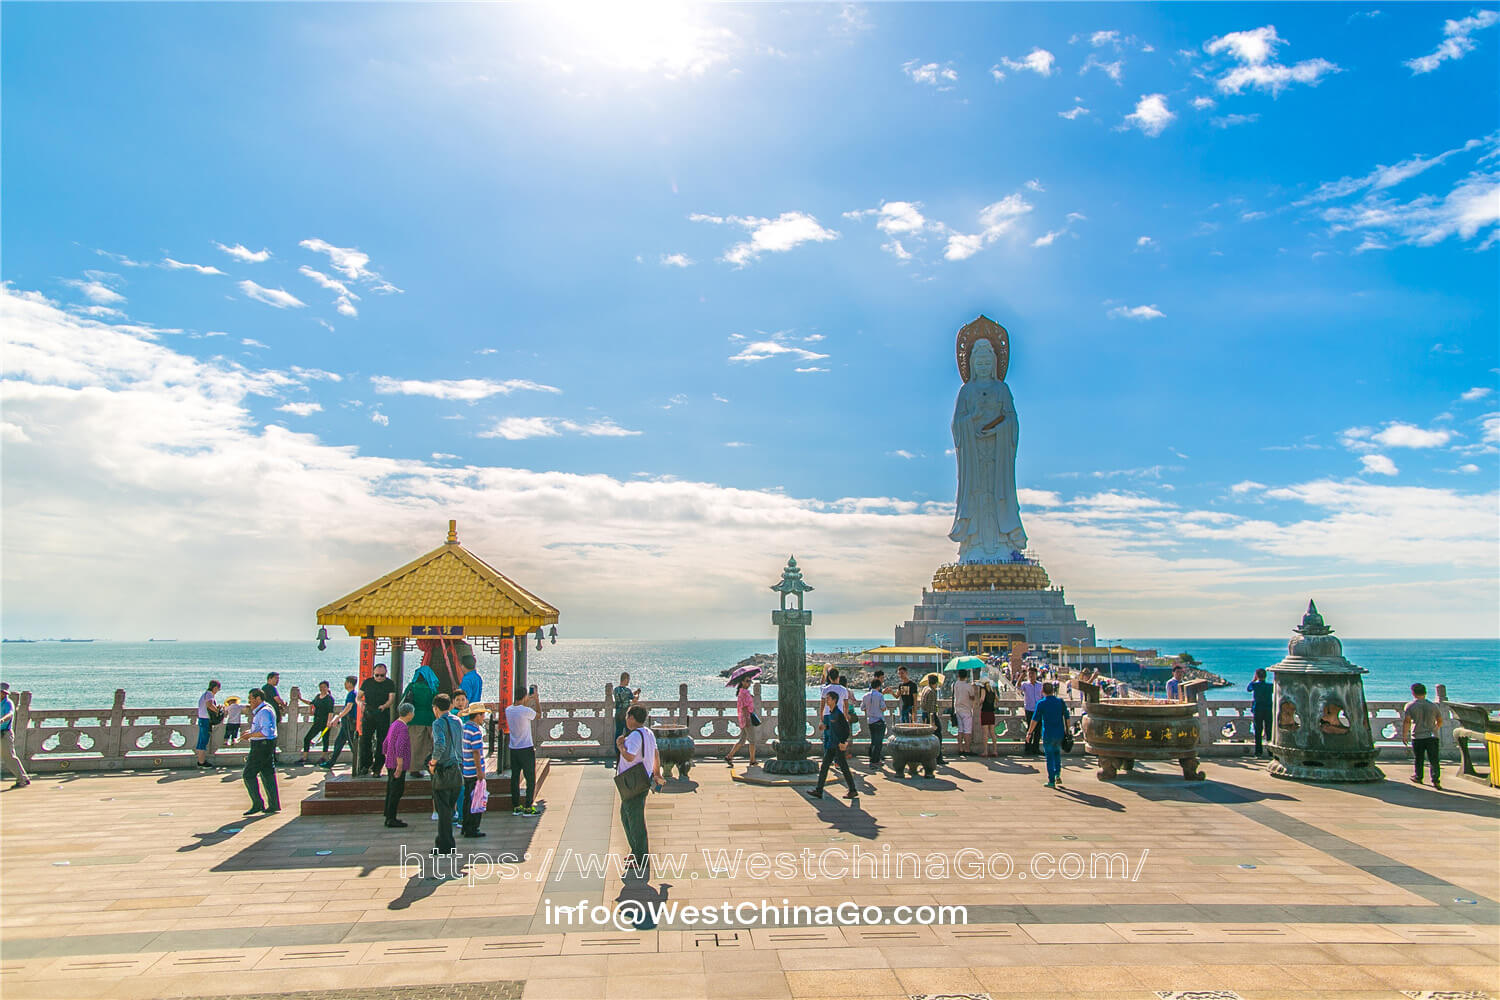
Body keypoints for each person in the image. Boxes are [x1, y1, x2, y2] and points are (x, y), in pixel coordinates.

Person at [616, 704, 663, 878]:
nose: (626, 719)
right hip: (643, 778)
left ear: (632, 718)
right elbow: (656, 753)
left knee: (634, 818)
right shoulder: (648, 733)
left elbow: (629, 755)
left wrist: (620, 746)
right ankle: (636, 851)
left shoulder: (636, 735)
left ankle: (641, 857)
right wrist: (657, 773)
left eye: (628, 715)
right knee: (626, 814)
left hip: (633, 781)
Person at [427, 693, 462, 855]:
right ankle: (443, 841)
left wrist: (433, 763)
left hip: (444, 769)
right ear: (450, 706)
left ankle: (445, 845)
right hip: (457, 769)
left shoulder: (438, 723)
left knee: (443, 811)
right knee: (449, 809)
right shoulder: (458, 721)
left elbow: (440, 744)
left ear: (435, 708)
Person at [807, 691, 858, 800]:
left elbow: (846, 729)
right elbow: (833, 727)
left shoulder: (838, 714)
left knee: (844, 767)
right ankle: (819, 790)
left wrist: (843, 742)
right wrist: (825, 727)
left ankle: (852, 790)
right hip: (831, 745)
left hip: (838, 745)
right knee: (825, 767)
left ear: (834, 700)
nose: (826, 700)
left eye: (828, 698)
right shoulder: (830, 713)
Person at [237, 689, 280, 814]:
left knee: (248, 774)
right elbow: (261, 728)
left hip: (262, 745)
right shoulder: (264, 710)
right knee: (267, 773)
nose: (249, 701)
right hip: (266, 744)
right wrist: (250, 732)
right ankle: (273, 804)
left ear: (258, 699)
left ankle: (258, 803)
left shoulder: (264, 711)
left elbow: (266, 732)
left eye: (251, 698)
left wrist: (250, 736)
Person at [1026, 682, 1071, 788]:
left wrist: (1029, 733)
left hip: (1048, 733)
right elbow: (1067, 717)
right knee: (1057, 754)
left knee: (1049, 756)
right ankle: (1058, 774)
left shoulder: (1041, 703)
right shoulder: (1060, 702)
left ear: (1042, 691)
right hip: (1060, 732)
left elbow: (1034, 719)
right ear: (1053, 691)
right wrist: (1068, 730)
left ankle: (1051, 781)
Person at [1401, 683, 1444, 789]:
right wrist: (1435, 729)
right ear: (1425, 692)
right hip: (1432, 736)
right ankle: (1436, 780)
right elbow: (1439, 720)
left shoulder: (1410, 705)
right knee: (1434, 759)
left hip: (1418, 736)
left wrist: (1404, 735)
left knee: (1419, 758)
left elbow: (1407, 722)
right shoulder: (1433, 706)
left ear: (1413, 693)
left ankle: (1419, 776)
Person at [507, 686, 541, 816]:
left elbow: (519, 707)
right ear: (525, 696)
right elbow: (538, 715)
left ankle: (516, 806)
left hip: (513, 748)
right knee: (530, 778)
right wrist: (536, 700)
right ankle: (528, 806)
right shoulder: (526, 711)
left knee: (515, 778)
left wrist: (526, 700)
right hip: (526, 748)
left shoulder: (508, 710)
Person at [360, 664, 397, 777]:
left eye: (382, 675)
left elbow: (391, 699)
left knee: (382, 742)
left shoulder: (389, 683)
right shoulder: (367, 682)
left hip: (382, 713)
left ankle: (377, 768)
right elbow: (359, 696)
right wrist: (360, 703)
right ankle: (366, 764)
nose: (380, 678)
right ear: (373, 673)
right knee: (365, 740)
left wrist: (385, 706)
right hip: (368, 713)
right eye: (377, 675)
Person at [381, 703, 414, 828]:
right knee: (397, 791)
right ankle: (391, 818)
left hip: (390, 762)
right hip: (397, 764)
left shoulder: (394, 725)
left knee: (390, 790)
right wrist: (399, 765)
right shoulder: (403, 728)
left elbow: (385, 743)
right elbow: (400, 747)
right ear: (409, 713)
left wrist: (388, 757)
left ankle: (388, 815)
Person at [459, 705, 488, 838]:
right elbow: (476, 752)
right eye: (482, 715)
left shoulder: (465, 727)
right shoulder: (476, 731)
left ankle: (465, 826)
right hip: (474, 771)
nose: (484, 718)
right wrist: (479, 771)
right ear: (477, 716)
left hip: (466, 769)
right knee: (475, 800)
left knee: (467, 800)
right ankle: (472, 828)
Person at [322, 677, 359, 770]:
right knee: (339, 742)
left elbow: (349, 707)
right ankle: (331, 762)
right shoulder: (352, 694)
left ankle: (360, 762)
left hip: (349, 721)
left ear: (350, 683)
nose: (345, 684)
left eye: (346, 682)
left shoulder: (352, 694)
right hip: (346, 722)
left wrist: (338, 717)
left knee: (352, 743)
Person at [0, 683, 30, 788]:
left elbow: (10, 714)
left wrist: (3, 719)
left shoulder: (8, 703)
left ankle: (22, 779)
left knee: (9, 757)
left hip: (4, 733)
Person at [724, 676, 758, 769]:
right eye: (747, 681)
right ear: (742, 682)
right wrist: (747, 720)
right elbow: (744, 707)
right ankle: (752, 760)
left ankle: (729, 756)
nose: (749, 683)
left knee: (742, 740)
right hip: (747, 719)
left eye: (750, 681)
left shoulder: (742, 692)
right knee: (752, 741)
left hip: (743, 719)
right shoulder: (744, 693)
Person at [300, 681, 335, 765]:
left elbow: (331, 711)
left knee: (325, 740)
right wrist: (300, 699)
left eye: (324, 687)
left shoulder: (329, 699)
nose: (322, 689)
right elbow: (311, 703)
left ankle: (323, 757)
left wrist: (329, 722)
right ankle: (305, 757)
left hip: (325, 722)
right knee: (307, 738)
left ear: (327, 688)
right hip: (317, 722)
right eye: (321, 687)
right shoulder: (317, 697)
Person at [610, 673, 637, 767]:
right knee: (629, 732)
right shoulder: (628, 690)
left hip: (618, 713)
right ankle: (628, 752)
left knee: (618, 732)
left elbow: (623, 697)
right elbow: (634, 700)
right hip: (626, 714)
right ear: (625, 679)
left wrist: (633, 693)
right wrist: (636, 695)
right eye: (628, 679)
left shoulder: (615, 690)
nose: (628, 681)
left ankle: (617, 754)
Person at [919, 673, 946, 766]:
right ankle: (938, 757)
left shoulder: (925, 689)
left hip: (924, 714)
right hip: (931, 716)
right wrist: (933, 722)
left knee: (927, 737)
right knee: (937, 737)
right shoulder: (932, 692)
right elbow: (931, 708)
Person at [1247, 668, 1273, 758]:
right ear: (1265, 676)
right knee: (1269, 731)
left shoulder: (1255, 685)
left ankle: (1258, 752)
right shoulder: (1270, 686)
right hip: (1268, 710)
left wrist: (1254, 680)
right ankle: (1271, 752)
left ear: (1257, 676)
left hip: (1258, 710)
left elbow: (1248, 689)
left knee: (1258, 731)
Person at [860, 680, 887, 768]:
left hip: (870, 720)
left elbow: (862, 707)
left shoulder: (865, 696)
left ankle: (872, 758)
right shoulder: (880, 696)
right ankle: (875, 761)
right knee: (878, 742)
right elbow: (883, 708)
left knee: (873, 740)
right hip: (879, 720)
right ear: (879, 686)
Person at [195, 680, 222, 767]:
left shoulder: (205, 694)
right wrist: (218, 711)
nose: (218, 691)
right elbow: (209, 705)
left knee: (201, 740)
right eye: (218, 689)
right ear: (215, 688)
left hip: (202, 719)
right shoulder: (209, 694)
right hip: (205, 719)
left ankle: (200, 761)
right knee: (203, 740)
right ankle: (201, 762)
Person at [1019, 667, 1044, 756]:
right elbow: (1017, 688)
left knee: (1038, 730)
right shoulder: (1025, 684)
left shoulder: (1040, 685)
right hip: (1029, 709)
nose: (1031, 676)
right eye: (1030, 674)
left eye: (1032, 674)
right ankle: (1028, 748)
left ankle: (1036, 748)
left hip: (1038, 710)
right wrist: (1021, 677)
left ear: (1036, 675)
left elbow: (1043, 696)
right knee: (1030, 729)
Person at [952, 669, 975, 755]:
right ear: (966, 676)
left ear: (958, 675)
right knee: (967, 730)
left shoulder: (955, 684)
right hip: (966, 709)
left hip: (957, 709)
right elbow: (972, 697)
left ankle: (960, 748)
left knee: (960, 730)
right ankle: (967, 749)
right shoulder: (968, 686)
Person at [979, 680, 998, 756]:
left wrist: (979, 704)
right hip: (991, 712)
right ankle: (995, 751)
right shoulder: (993, 690)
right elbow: (997, 699)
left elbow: (982, 699)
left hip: (985, 712)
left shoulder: (983, 689)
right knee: (993, 733)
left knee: (985, 733)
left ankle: (985, 751)